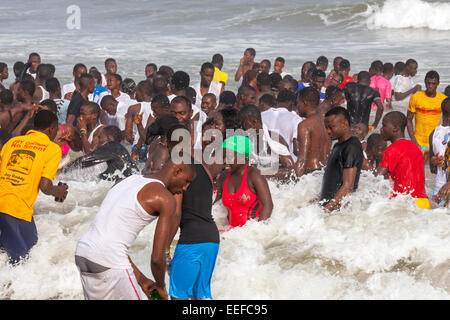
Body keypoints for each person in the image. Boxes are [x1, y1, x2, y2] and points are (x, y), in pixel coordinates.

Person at [74, 154, 195, 300]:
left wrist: (142, 280)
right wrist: (161, 287)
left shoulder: (126, 180)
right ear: (177, 171)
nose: (186, 188)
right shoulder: (165, 198)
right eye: (186, 181)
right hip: (109, 260)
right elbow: (157, 258)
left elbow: (111, 239)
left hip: (83, 253)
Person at [0, 110, 69, 264]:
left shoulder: (12, 142)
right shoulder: (52, 149)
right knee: (21, 264)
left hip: (15, 209)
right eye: (56, 129)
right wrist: (59, 191)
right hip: (15, 210)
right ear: (51, 128)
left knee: (32, 250)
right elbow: (45, 186)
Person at [167, 145, 220, 300]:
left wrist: (164, 250)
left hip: (191, 241)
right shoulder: (204, 169)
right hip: (211, 240)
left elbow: (176, 214)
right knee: (201, 297)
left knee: (178, 296)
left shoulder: (180, 174)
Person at [376, 111, 430, 209]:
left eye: (384, 125)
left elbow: (376, 178)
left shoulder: (392, 149)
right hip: (423, 202)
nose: (381, 129)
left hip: (405, 203)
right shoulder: (415, 148)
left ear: (395, 128)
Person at [216, 135, 273, 228]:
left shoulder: (254, 176)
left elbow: (268, 206)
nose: (225, 161)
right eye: (223, 156)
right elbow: (216, 207)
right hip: (231, 233)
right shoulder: (223, 177)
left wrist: (256, 232)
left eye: (229, 157)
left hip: (249, 234)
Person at [321, 107, 364, 212]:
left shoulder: (352, 146)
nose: (328, 131)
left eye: (331, 127)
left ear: (345, 124)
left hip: (337, 212)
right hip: (331, 208)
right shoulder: (337, 146)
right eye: (326, 128)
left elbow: (347, 186)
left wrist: (327, 210)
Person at [62, 125, 138, 180]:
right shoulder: (116, 149)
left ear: (109, 139)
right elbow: (106, 175)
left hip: (129, 181)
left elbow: (88, 160)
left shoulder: (112, 145)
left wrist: (65, 169)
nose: (97, 140)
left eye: (100, 137)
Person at [239, 104, 294, 179]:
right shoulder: (249, 140)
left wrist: (261, 175)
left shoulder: (273, 140)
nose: (241, 127)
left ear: (254, 122)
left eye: (243, 123)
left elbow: (292, 171)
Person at [407, 70, 447, 153]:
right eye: (428, 83)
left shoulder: (443, 99)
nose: (430, 86)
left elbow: (447, 122)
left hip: (436, 141)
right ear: (425, 82)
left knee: (433, 165)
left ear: (438, 84)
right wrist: (413, 140)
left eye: (433, 84)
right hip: (418, 142)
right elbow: (409, 119)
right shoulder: (415, 97)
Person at [294, 87, 330, 177]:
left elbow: (302, 159)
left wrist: (295, 184)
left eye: (298, 102)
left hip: (311, 173)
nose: (297, 106)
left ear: (305, 102)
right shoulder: (326, 122)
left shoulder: (305, 125)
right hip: (326, 172)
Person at [262, 89, 302, 158]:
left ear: (277, 101)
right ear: (292, 104)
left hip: (264, 159)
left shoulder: (262, 115)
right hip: (284, 161)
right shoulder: (295, 119)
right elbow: (296, 150)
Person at [429, 98, 450, 196]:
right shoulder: (434, 134)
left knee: (437, 211)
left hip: (440, 188)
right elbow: (432, 167)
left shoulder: (434, 133)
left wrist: (433, 161)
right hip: (443, 188)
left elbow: (432, 168)